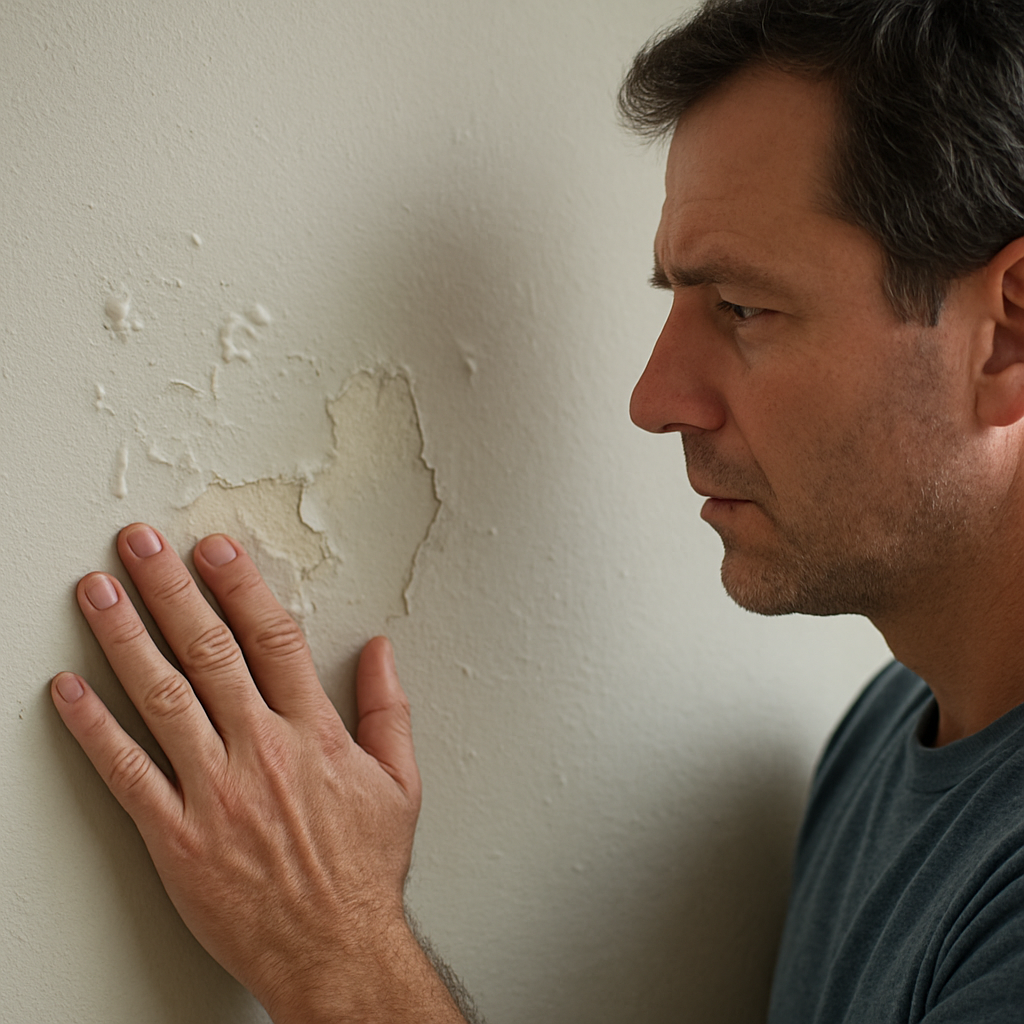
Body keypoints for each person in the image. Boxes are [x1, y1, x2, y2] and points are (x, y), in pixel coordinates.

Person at [49, 0, 1024, 1020]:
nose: (654, 400)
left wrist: (338, 958)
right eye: (675, 300)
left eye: (742, 309)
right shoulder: (884, 732)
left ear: (1004, 332)